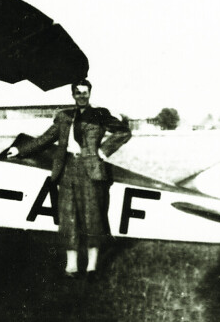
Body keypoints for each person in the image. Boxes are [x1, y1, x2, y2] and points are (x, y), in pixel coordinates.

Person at [7, 79, 131, 278]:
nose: (82, 96)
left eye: (85, 92)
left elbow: (124, 131)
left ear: (90, 93)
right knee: (68, 218)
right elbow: (46, 138)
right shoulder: (64, 116)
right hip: (67, 169)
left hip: (91, 170)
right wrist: (20, 150)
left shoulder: (100, 114)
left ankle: (92, 267)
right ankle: (71, 267)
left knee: (92, 218)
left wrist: (104, 150)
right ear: (72, 95)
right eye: (78, 92)